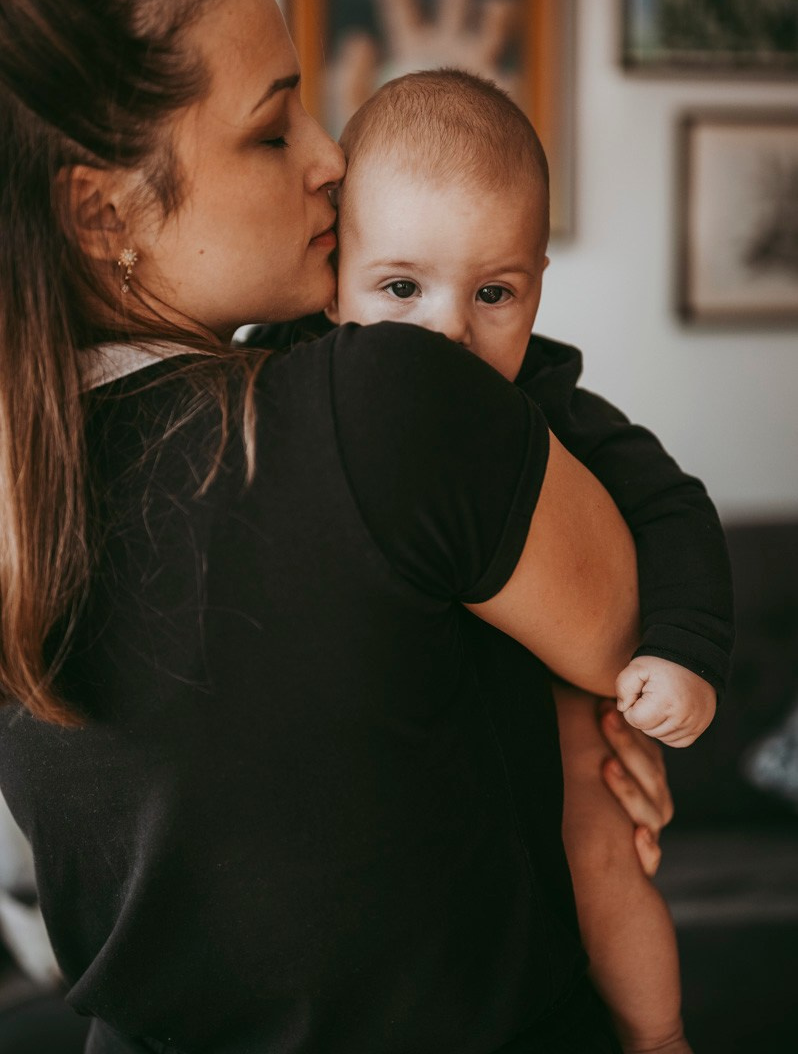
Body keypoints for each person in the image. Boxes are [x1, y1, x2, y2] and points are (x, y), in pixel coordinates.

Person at [0, 0, 672, 1054]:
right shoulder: (392, 399)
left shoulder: (14, 501)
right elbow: (618, 622)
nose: (331, 158)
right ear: (101, 213)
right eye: (272, 129)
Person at [251, 69, 733, 1053]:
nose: (448, 334)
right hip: (398, 793)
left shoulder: (550, 409)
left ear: (538, 284)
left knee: (603, 842)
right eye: (401, 289)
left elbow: (673, 507)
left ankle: (660, 1037)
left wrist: (682, 651)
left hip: (542, 737)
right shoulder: (276, 382)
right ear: (335, 270)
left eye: (493, 293)